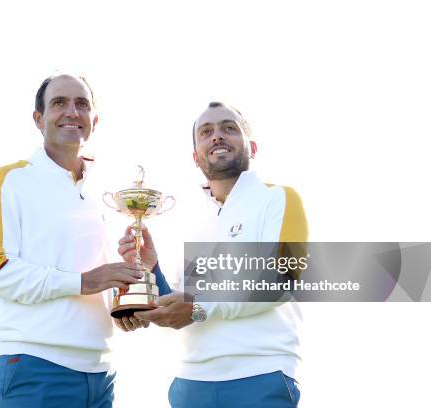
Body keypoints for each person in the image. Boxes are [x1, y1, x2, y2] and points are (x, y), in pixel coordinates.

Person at [0, 73, 156, 408]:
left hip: (101, 376)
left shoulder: (111, 192)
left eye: (81, 104)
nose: (72, 111)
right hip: (32, 369)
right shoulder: (10, 180)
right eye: (59, 103)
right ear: (38, 119)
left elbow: (108, 278)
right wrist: (84, 282)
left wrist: (126, 305)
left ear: (94, 121)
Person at [118, 102, 308, 408]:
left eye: (228, 128)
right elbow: (180, 305)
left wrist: (198, 306)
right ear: (196, 157)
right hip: (190, 383)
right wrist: (151, 270)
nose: (217, 136)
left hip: (260, 376)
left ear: (253, 147)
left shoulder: (278, 199)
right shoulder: (188, 219)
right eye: (206, 132)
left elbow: (281, 280)